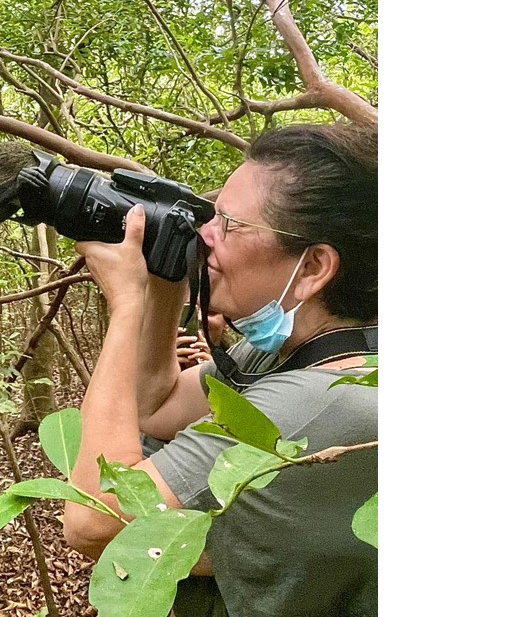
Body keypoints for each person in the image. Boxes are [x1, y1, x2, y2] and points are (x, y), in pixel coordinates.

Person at [63, 123, 378, 617]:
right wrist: (165, 283)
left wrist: (126, 306)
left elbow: (95, 519)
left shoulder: (317, 402)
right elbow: (157, 404)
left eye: (229, 223)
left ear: (315, 267)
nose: (205, 233)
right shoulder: (309, 350)